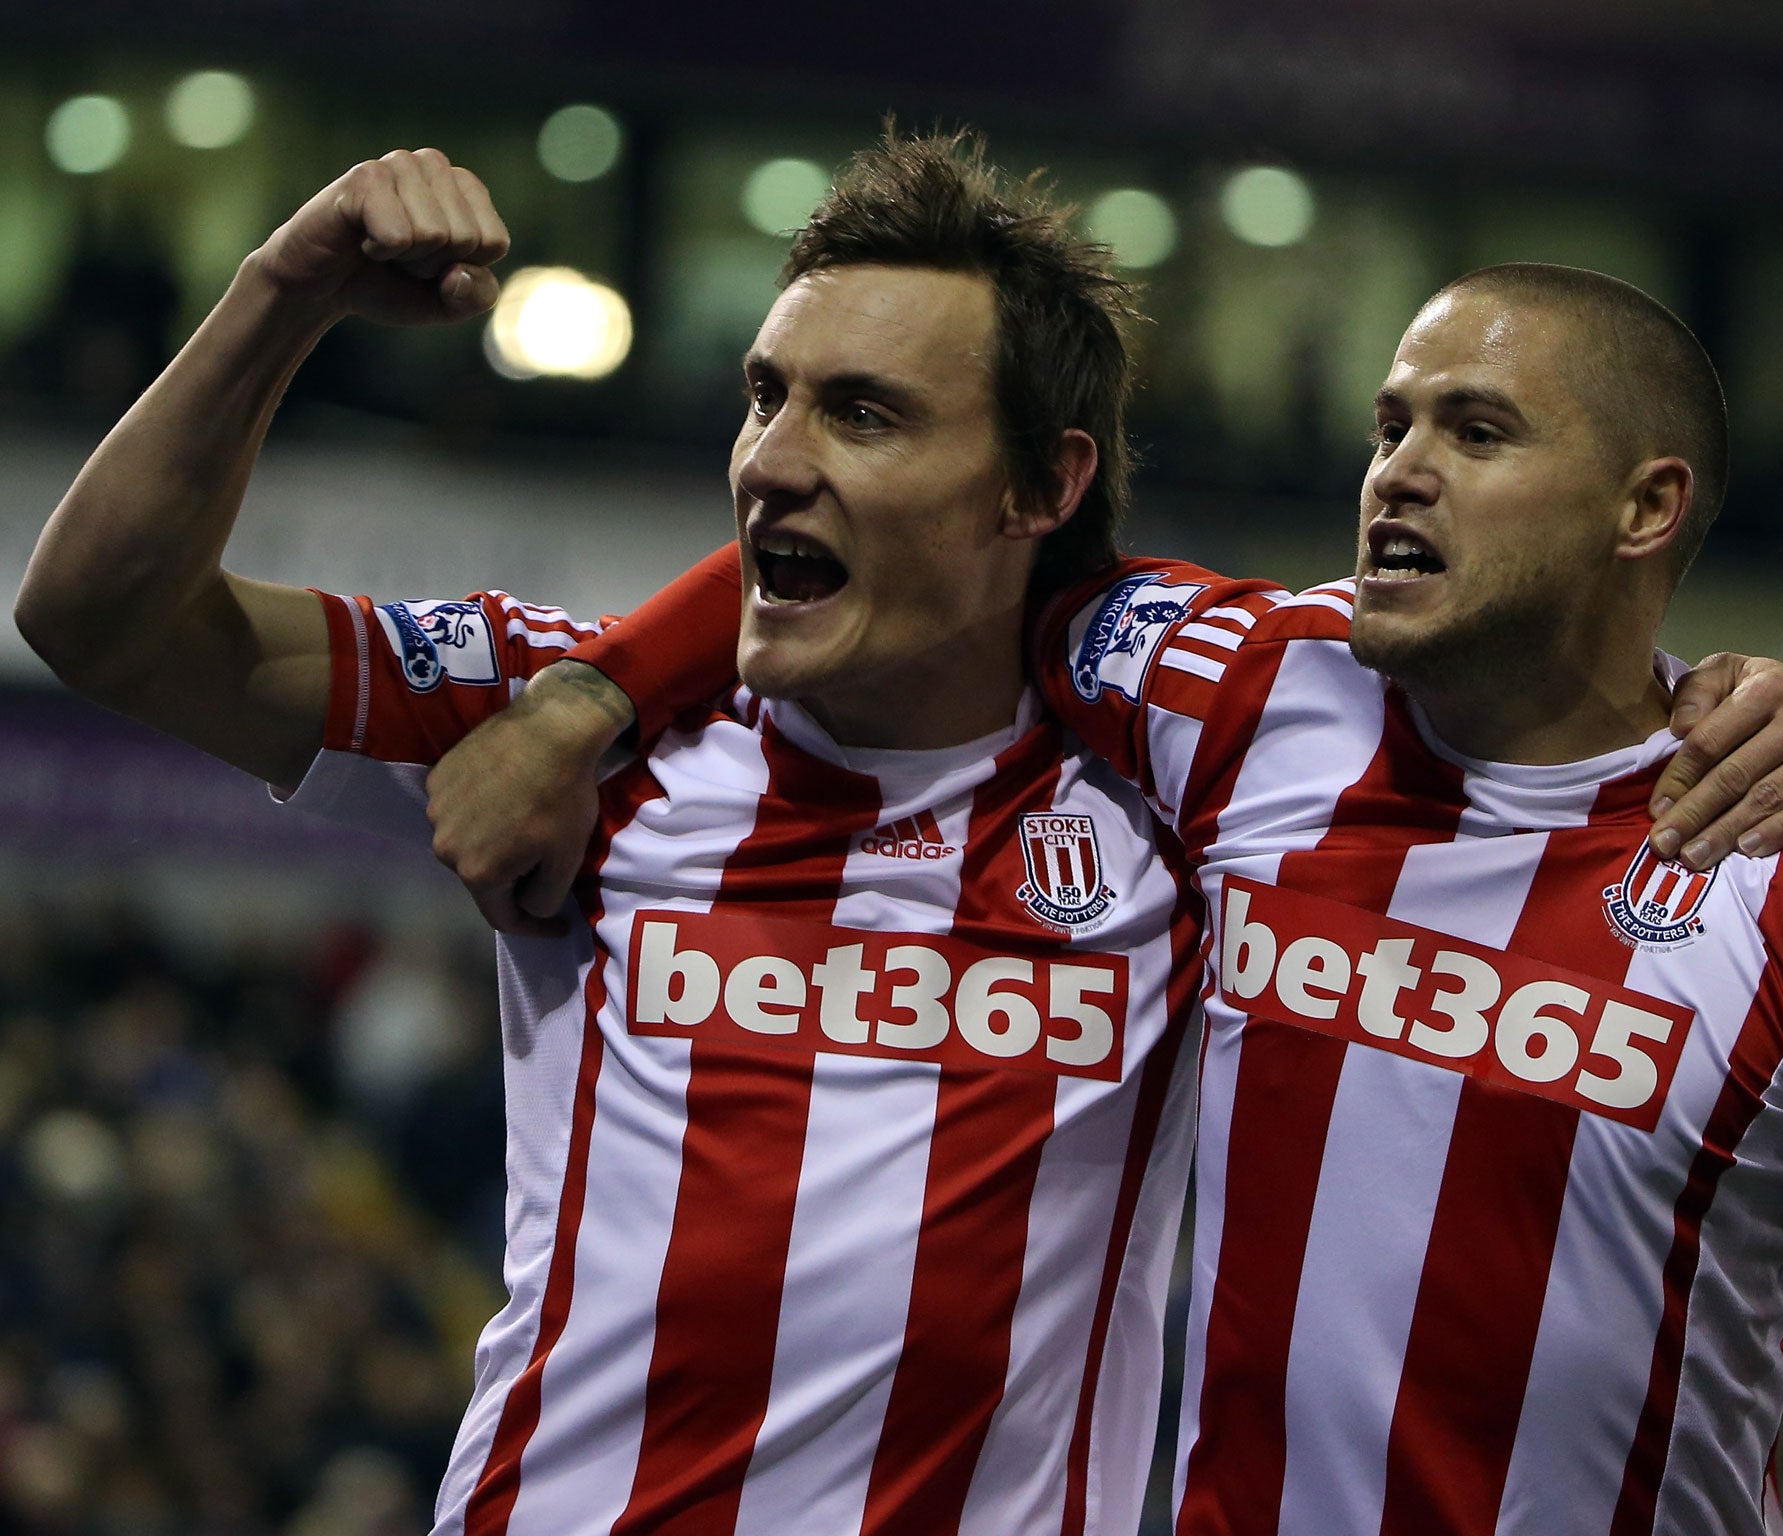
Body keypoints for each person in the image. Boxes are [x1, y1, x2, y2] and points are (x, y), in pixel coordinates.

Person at [433, 264, 1783, 1532]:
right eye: (1389, 426)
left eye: (1475, 435)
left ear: (1646, 509)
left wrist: (1775, 692)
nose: (1401, 473)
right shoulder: (1238, 688)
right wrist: (590, 699)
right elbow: (929, 544)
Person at [17, 135, 1214, 1536]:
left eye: (864, 414)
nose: (772, 460)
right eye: (765, 397)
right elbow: (100, 620)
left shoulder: (1184, 801)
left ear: (1044, 486)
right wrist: (285, 291)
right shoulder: (548, 718)